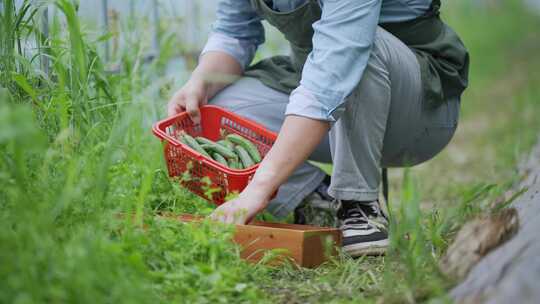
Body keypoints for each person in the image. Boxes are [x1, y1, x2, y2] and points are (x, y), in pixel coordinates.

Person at [167, 0, 469, 257]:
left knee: (358, 49)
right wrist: (201, 82)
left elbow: (340, 60)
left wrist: (259, 187)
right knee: (216, 109)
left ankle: (359, 206)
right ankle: (317, 200)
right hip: (324, 83)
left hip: (419, 109)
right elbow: (234, 30)